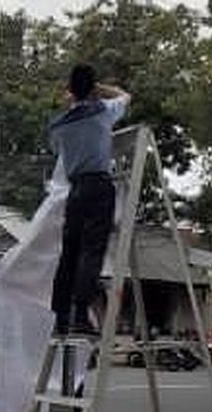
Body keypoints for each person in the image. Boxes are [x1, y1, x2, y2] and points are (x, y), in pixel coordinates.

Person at [48, 63, 132, 336]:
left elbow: (56, 147)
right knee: (91, 251)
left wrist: (74, 98)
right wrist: (100, 90)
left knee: (69, 254)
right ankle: (81, 314)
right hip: (98, 186)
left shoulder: (59, 126)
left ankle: (60, 317)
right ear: (93, 89)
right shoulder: (103, 112)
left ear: (70, 90)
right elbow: (125, 96)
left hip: (76, 191)